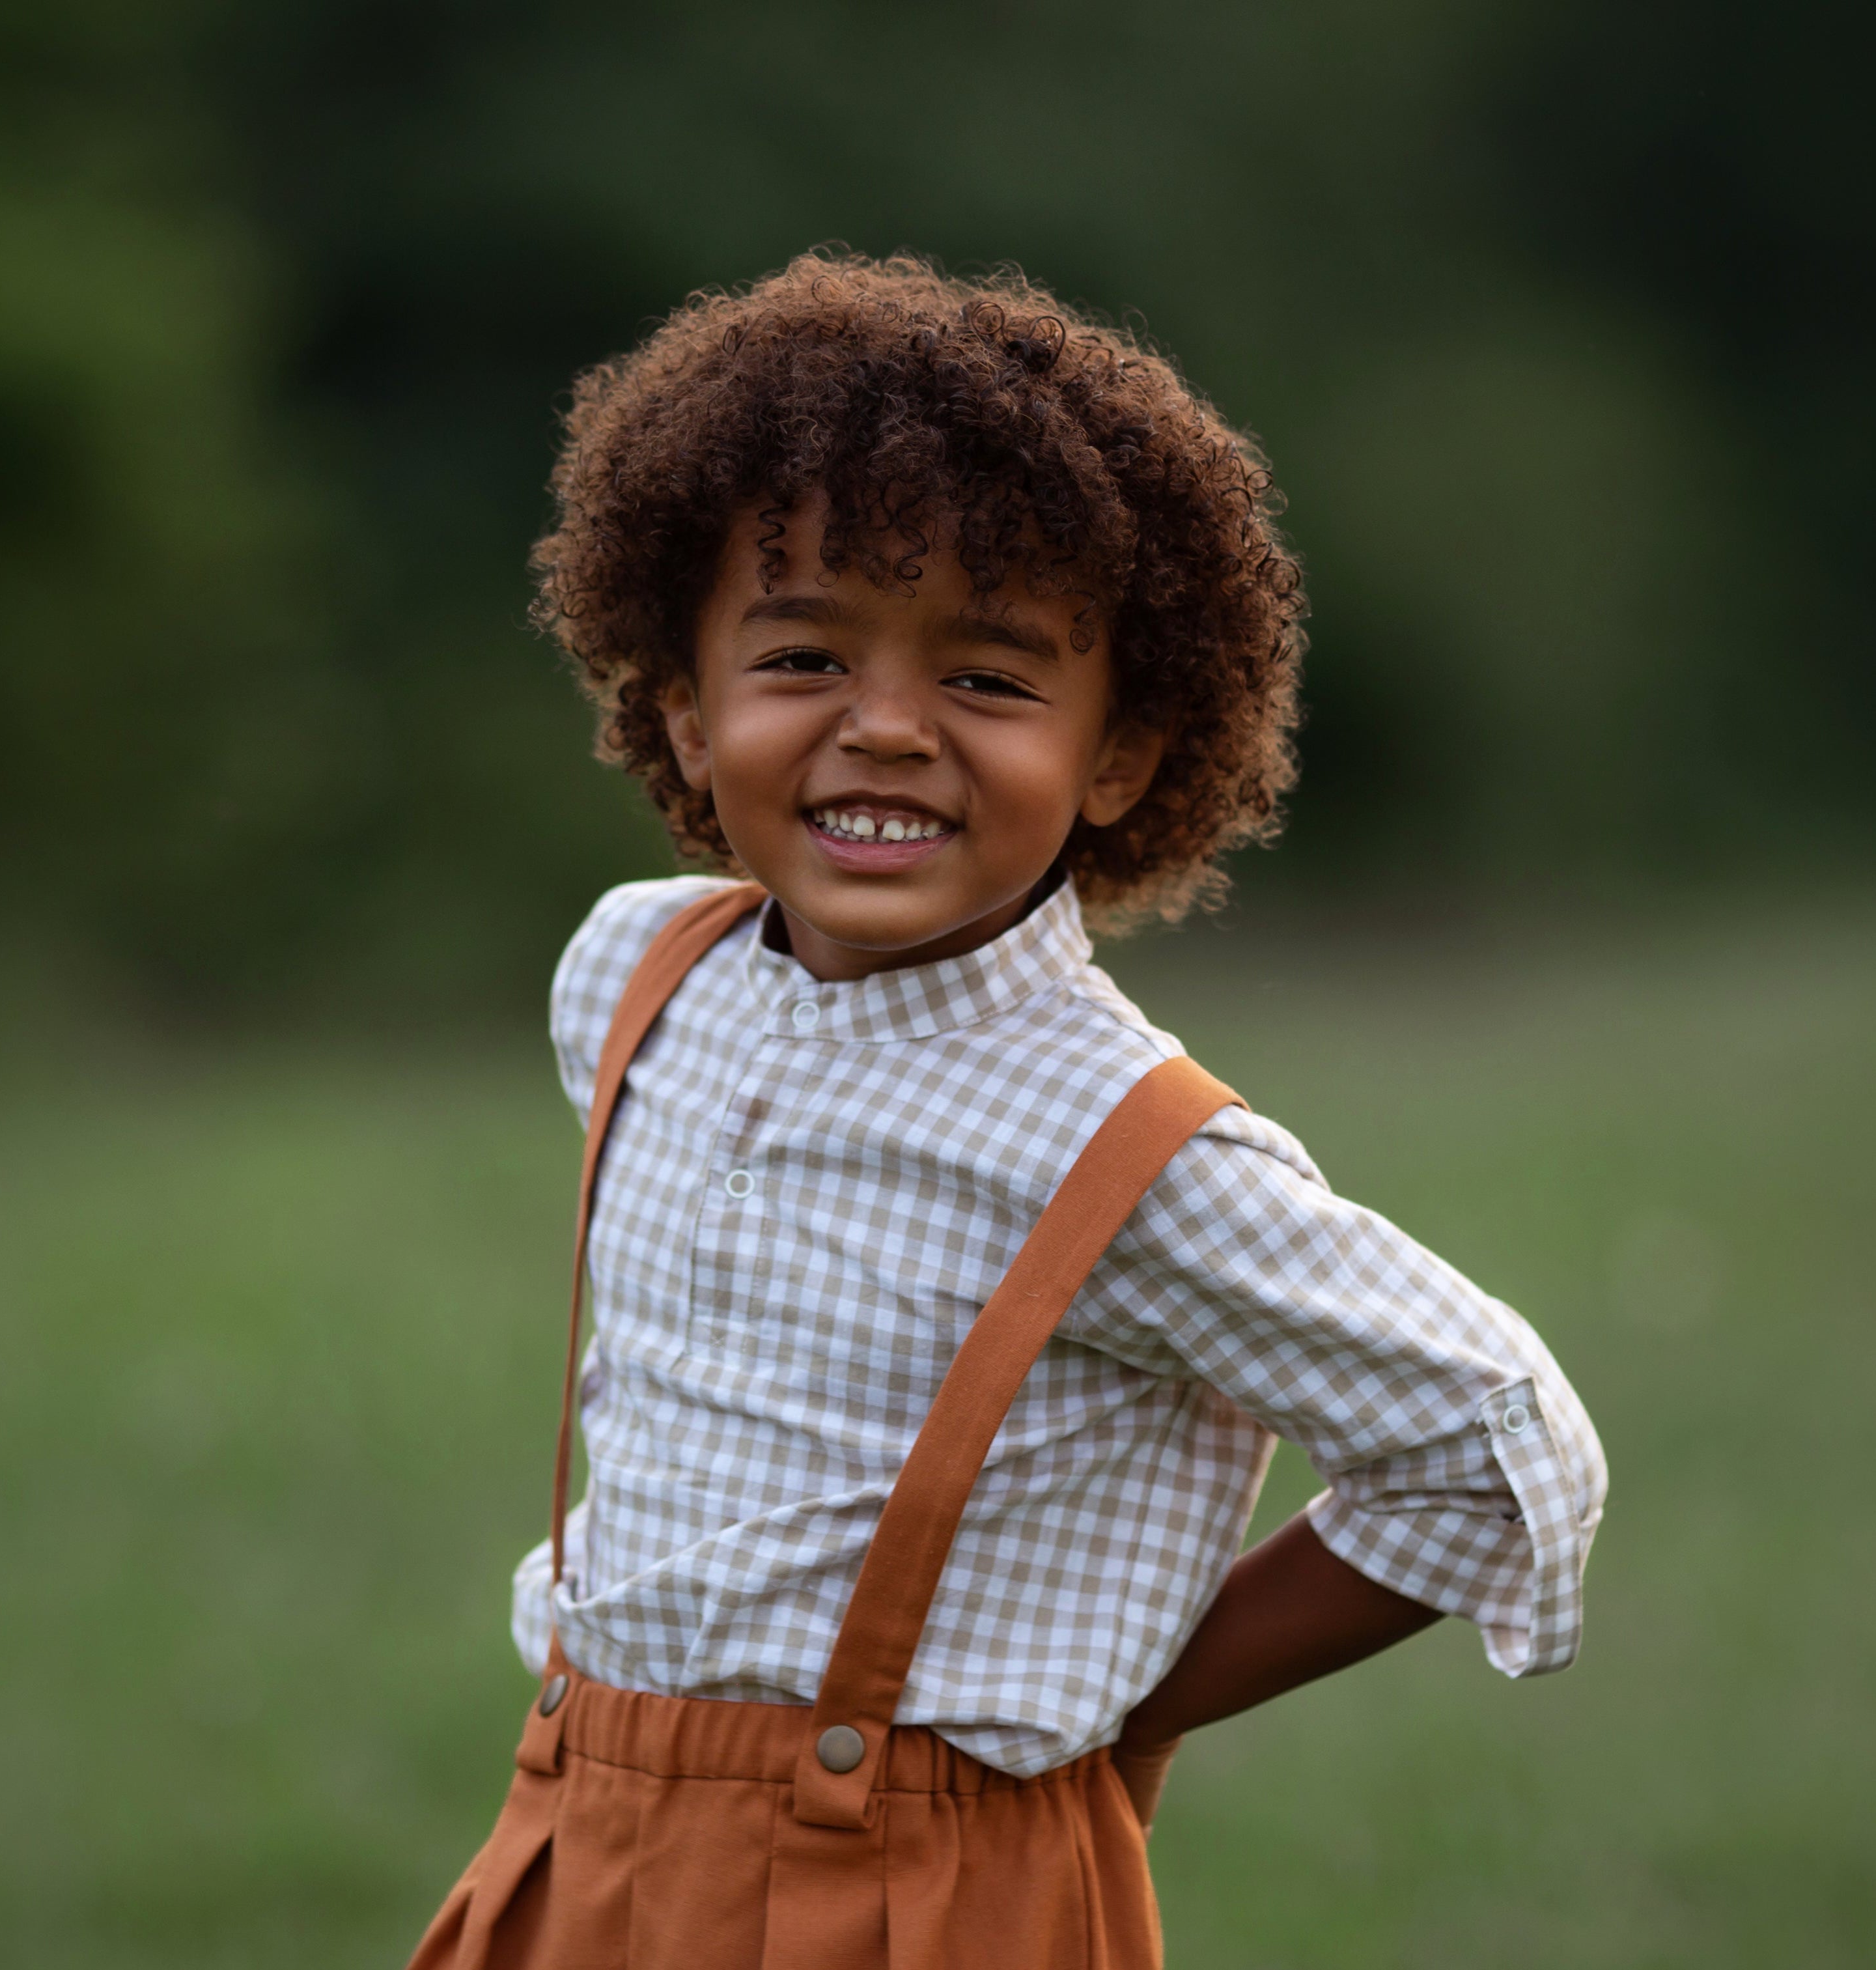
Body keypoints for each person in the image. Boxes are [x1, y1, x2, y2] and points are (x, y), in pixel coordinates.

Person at [408, 253, 1606, 1970]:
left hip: (919, 1895)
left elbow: (1496, 1454)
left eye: (986, 677)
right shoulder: (628, 978)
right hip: (577, 1838)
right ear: (683, 704)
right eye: (803, 651)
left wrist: (1121, 1694)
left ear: (1116, 755)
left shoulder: (1132, 1151)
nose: (883, 727)